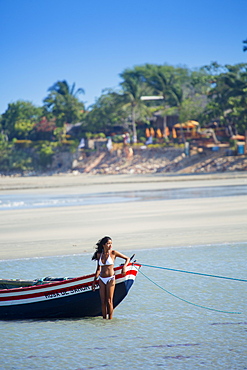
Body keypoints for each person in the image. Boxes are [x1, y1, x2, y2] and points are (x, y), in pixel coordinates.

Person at [91, 236, 130, 319]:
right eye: (108, 243)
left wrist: (124, 267)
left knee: (109, 301)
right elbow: (98, 269)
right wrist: (94, 281)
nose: (110, 245)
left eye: (111, 244)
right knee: (103, 301)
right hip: (101, 279)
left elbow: (127, 258)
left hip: (110, 279)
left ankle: (110, 319)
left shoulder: (113, 253)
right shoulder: (99, 255)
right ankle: (104, 319)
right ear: (103, 245)